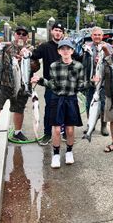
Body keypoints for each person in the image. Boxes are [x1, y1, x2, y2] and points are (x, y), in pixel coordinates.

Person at [31, 38, 84, 168]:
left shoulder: (78, 66)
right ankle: (55, 154)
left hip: (71, 99)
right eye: (62, 49)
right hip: (56, 99)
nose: (65, 51)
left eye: (68, 49)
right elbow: (52, 84)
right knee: (55, 129)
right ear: (59, 51)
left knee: (70, 130)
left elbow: (80, 85)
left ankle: (69, 152)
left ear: (72, 51)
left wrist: (93, 82)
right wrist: (41, 80)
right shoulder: (54, 66)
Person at [31, 22, 81, 145]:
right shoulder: (45, 46)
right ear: (52, 31)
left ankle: (64, 133)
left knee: (66, 109)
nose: (58, 33)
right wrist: (26, 52)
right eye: (56, 30)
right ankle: (47, 134)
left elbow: (79, 59)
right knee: (50, 110)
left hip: (67, 86)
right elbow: (34, 56)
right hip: (50, 85)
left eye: (60, 31)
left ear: (63, 33)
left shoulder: (67, 46)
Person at [0, 26, 35, 141]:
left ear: (27, 36)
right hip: (3, 82)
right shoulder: (6, 45)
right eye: (19, 33)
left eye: (24, 34)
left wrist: (26, 57)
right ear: (14, 34)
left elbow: (35, 65)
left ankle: (17, 132)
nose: (21, 35)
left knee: (19, 108)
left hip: (21, 84)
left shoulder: (30, 48)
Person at [82, 26, 111, 136]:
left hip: (103, 82)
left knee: (103, 105)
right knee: (89, 104)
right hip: (90, 81)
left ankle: (103, 126)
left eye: (99, 35)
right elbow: (82, 62)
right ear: (91, 36)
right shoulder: (87, 47)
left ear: (102, 36)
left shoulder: (107, 46)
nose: (97, 36)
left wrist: (105, 52)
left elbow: (112, 60)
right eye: (95, 35)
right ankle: (91, 125)